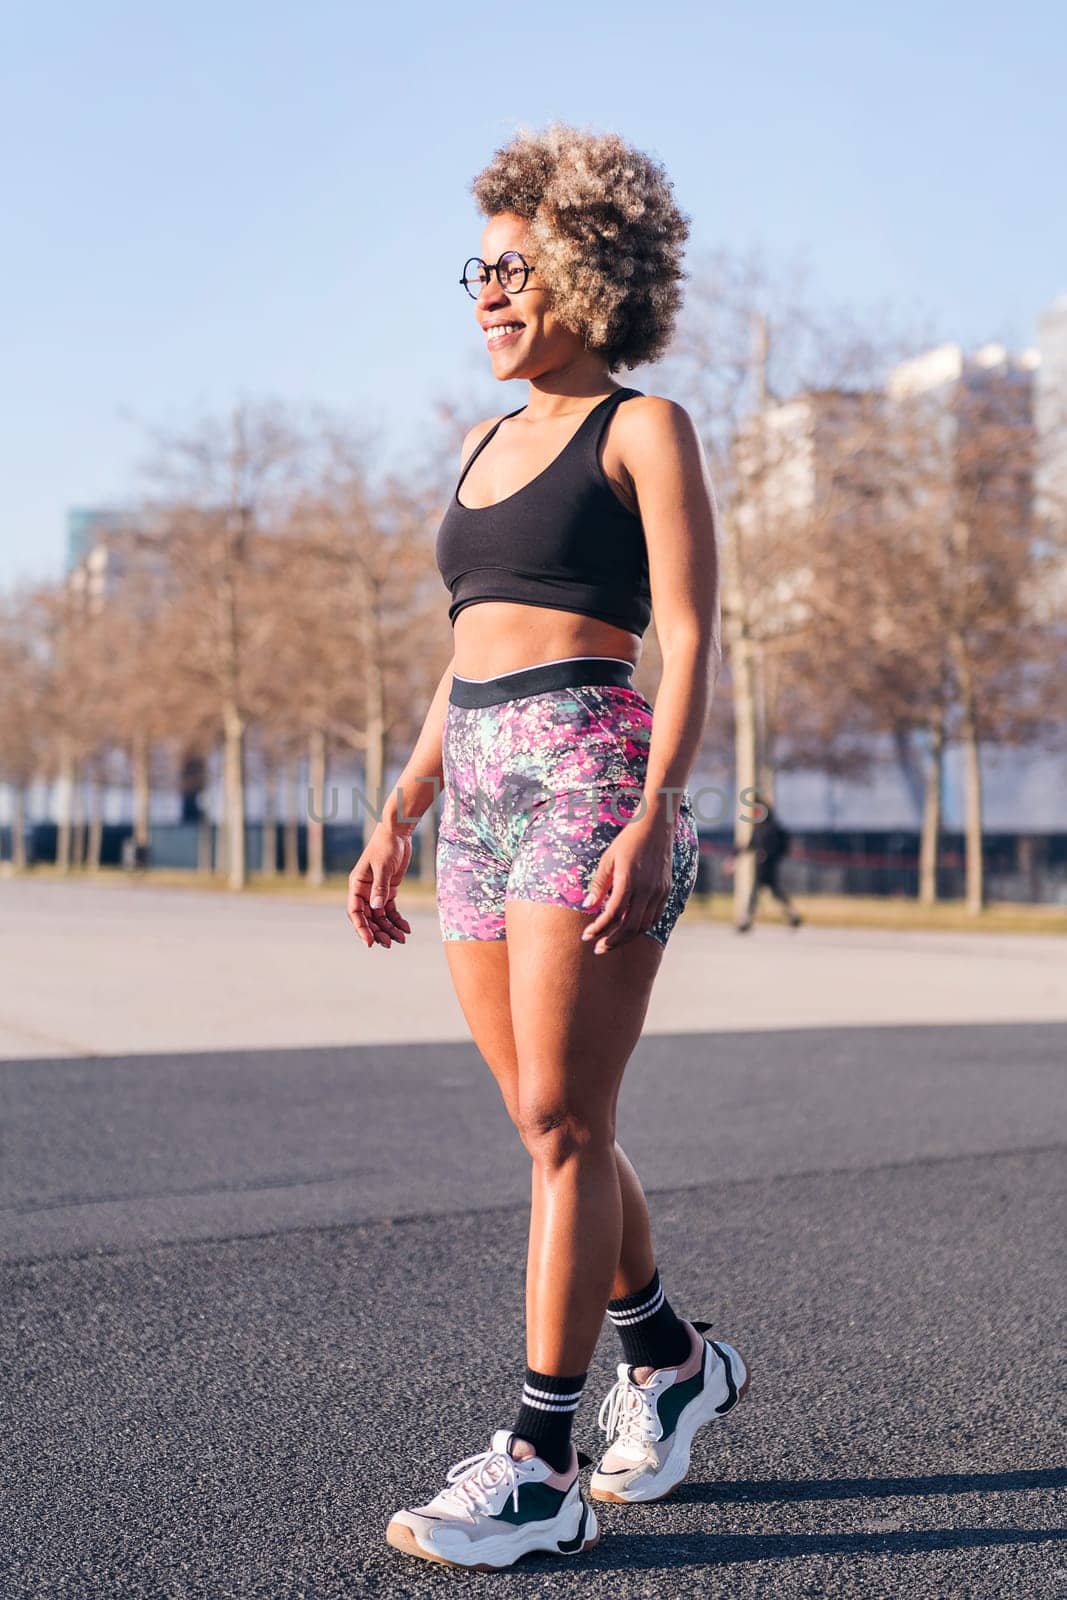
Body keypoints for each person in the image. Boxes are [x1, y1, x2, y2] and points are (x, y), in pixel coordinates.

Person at [346, 122, 750, 1572]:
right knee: (543, 1119)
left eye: (514, 270)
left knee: (563, 1130)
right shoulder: (475, 442)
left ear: (590, 267)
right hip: (475, 783)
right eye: (479, 271)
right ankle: (675, 1362)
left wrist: (655, 809)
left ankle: (535, 1462)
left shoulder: (642, 428)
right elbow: (462, 653)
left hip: (591, 769)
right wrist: (400, 803)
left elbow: (691, 634)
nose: (487, 295)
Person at [734, 791, 803, 932]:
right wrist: (734, 856)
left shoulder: (771, 828)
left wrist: (768, 855)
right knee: (763, 893)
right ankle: (790, 915)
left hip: (769, 866)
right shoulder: (760, 827)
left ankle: (790, 915)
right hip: (762, 867)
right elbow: (749, 845)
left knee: (768, 893)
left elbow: (778, 847)